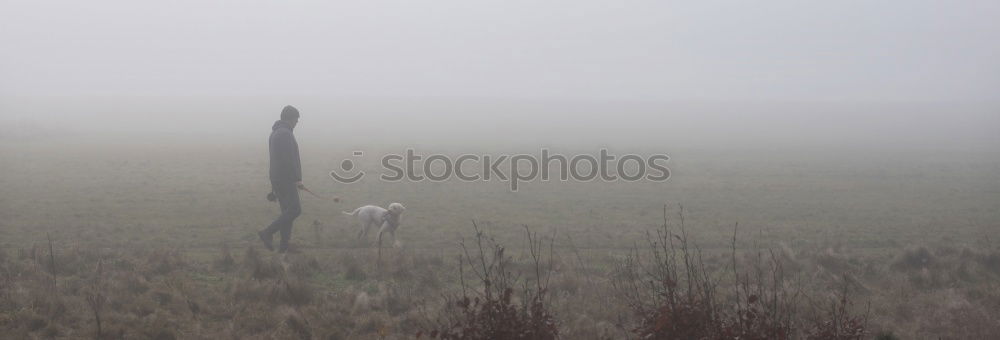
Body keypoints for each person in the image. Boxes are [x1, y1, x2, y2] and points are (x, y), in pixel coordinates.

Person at [259, 105, 304, 253]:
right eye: (296, 120)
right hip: (286, 178)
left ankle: (283, 249)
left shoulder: (275, 133)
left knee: (287, 213)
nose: (297, 123)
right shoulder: (285, 134)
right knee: (295, 210)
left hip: (277, 178)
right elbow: (288, 159)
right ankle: (267, 232)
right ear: (290, 119)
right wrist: (297, 178)